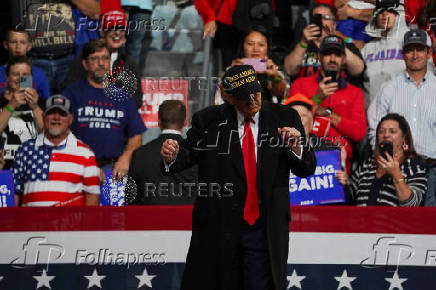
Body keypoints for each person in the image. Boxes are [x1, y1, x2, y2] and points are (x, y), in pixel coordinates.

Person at [161, 65, 316, 290]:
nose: (253, 100)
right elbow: (184, 157)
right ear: (229, 97)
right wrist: (171, 155)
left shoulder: (285, 117)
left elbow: (307, 167)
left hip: (265, 231)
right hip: (220, 230)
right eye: (245, 96)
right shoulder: (208, 121)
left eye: (256, 92)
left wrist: (296, 147)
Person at [367, 29, 436, 206]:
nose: (415, 55)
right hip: (400, 167)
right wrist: (384, 159)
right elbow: (375, 127)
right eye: (409, 49)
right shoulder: (389, 88)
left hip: (433, 167)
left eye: (420, 49)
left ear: (429, 53)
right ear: (402, 54)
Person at [62, 39, 146, 181]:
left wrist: (127, 157)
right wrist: (85, 164)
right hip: (77, 167)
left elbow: (136, 135)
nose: (101, 63)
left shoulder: (122, 96)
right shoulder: (71, 93)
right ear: (85, 64)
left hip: (112, 171)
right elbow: (57, 131)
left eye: (105, 58)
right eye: (95, 59)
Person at [290, 35, 366, 173]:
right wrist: (317, 99)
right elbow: (292, 123)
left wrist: (328, 114)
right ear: (319, 57)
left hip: (338, 164)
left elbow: (359, 132)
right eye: (327, 54)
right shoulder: (300, 85)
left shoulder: (355, 92)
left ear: (343, 59)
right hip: (304, 157)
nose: (332, 59)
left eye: (337, 55)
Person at [13, 94, 100, 206]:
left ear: (70, 119)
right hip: (31, 222)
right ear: (43, 117)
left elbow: (92, 196)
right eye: (51, 113)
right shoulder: (25, 149)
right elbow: (14, 192)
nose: (56, 118)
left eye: (62, 114)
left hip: (71, 223)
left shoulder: (86, 153)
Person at [336, 113, 427, 206]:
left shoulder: (414, 166)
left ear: (404, 138)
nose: (386, 135)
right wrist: (342, 169)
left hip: (392, 220)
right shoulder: (368, 164)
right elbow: (348, 197)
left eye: (392, 131)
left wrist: (396, 175)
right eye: (381, 131)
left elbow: (413, 204)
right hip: (362, 219)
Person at [63, 10, 143, 108]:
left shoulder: (129, 62)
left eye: (122, 29)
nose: (117, 33)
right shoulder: (86, 56)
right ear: (102, 32)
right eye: (112, 28)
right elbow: (69, 90)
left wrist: (112, 105)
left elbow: (137, 99)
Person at [128, 100, 197, 205]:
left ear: (159, 121)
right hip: (187, 219)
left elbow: (131, 198)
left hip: (149, 219)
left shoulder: (140, 154)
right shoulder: (196, 153)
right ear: (185, 122)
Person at [284, 3, 365, 87]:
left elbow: (358, 70)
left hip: (339, 96)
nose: (321, 22)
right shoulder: (301, 45)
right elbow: (290, 70)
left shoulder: (347, 46)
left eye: (326, 18)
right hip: (307, 95)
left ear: (334, 25)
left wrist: (336, 41)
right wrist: (304, 42)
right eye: (317, 18)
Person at [361, 0, 410, 108]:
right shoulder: (367, 48)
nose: (384, 14)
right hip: (372, 118)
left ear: (400, 13)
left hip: (404, 115)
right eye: (380, 11)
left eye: (390, 10)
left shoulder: (412, 43)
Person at [0, 56, 44, 169]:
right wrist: (11, 105)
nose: (20, 79)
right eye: (15, 74)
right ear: (7, 77)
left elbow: (48, 135)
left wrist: (34, 107)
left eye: (25, 75)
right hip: (4, 166)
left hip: (33, 166)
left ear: (31, 78)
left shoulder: (41, 103)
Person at [228, 25, 287, 103]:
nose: (255, 49)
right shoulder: (234, 67)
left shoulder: (272, 67)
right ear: (243, 47)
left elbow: (280, 93)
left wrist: (275, 77)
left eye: (261, 45)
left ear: (267, 48)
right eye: (250, 44)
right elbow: (226, 96)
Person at [0, 28, 50, 98]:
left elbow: (46, 103)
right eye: (13, 42)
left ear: (29, 46)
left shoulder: (39, 74)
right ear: (6, 45)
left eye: (23, 42)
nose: (18, 47)